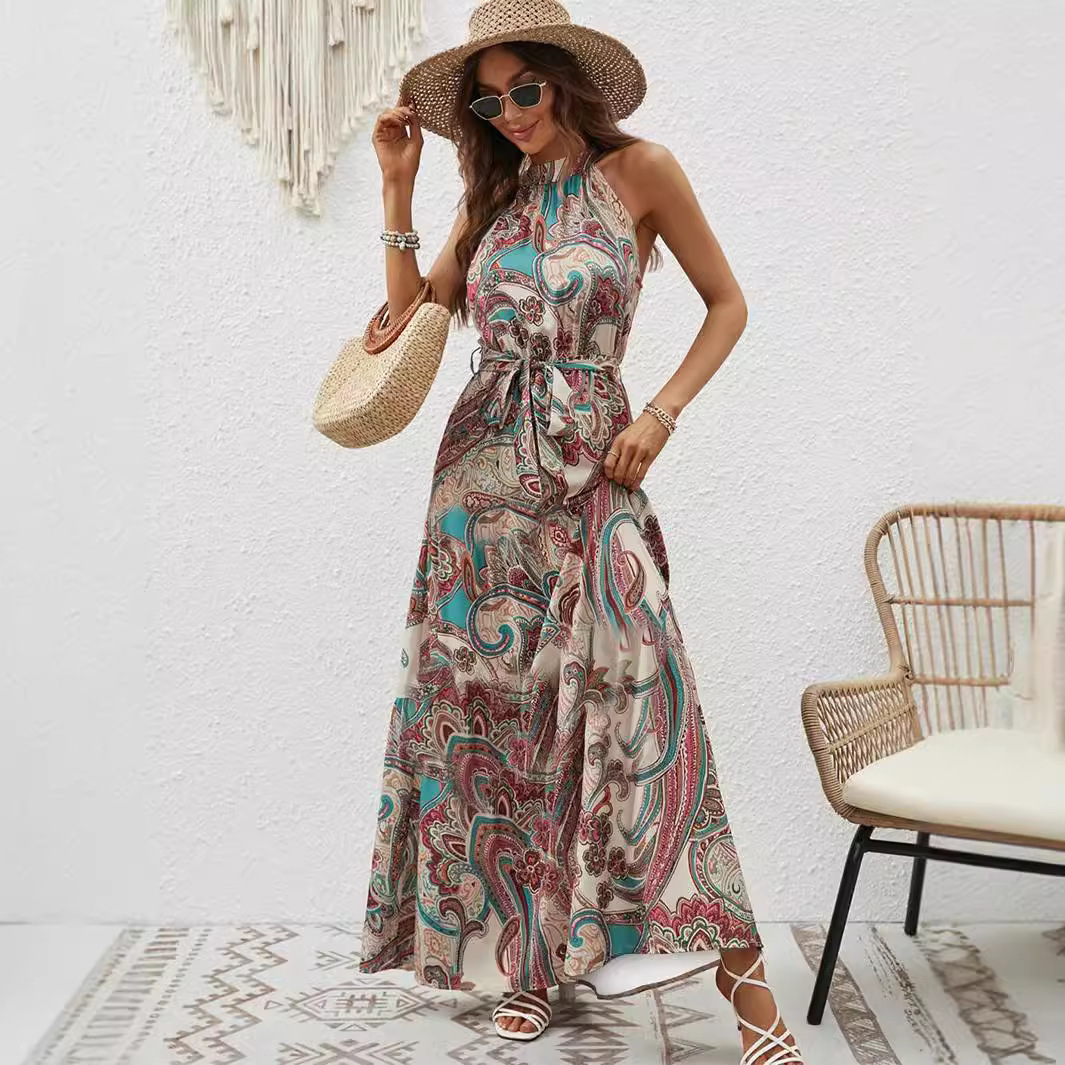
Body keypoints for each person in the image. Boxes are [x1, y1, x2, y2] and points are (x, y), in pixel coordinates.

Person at [357, 3, 804, 1062]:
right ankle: (527, 965)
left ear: (564, 79)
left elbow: (728, 304)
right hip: (477, 490)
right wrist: (397, 189)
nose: (510, 112)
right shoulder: (489, 201)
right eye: (489, 101)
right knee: (498, 724)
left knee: (647, 702)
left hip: (595, 467)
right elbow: (411, 330)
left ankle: (751, 1000)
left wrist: (662, 414)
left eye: (526, 89)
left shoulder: (640, 171)